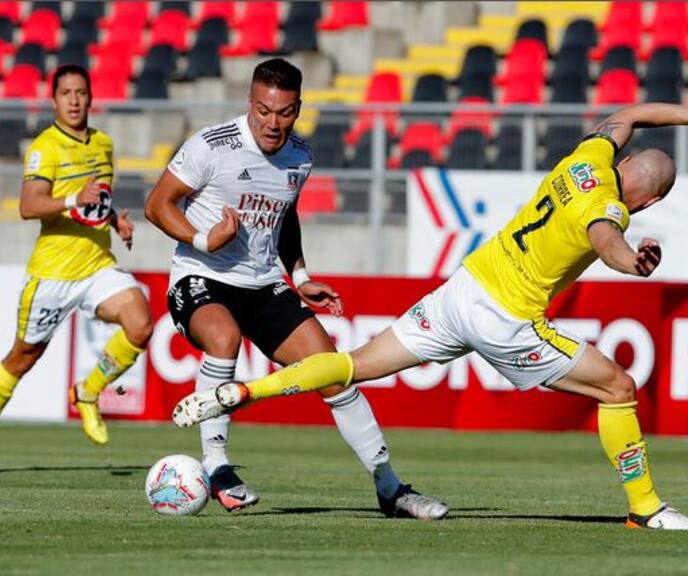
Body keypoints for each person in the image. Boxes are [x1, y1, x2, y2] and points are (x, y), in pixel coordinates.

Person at [174, 102, 688, 530]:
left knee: (353, 364)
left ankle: (246, 391)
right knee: (618, 388)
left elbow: (630, 114)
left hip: (461, 291)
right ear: (650, 200)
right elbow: (607, 239)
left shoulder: (590, 156)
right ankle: (645, 508)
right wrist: (634, 263)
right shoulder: (610, 208)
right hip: (507, 321)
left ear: (624, 159)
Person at [145, 58, 446, 519]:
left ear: (298, 109)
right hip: (201, 275)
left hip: (264, 283)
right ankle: (217, 465)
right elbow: (157, 204)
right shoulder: (211, 146)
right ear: (250, 103)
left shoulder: (300, 156)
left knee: (333, 373)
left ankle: (390, 488)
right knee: (224, 338)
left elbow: (285, 216)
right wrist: (204, 239)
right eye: (264, 110)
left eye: (284, 112)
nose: (273, 123)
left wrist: (300, 276)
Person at [0, 64, 153, 476]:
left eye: (81, 92)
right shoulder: (44, 147)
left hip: (97, 264)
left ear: (91, 97)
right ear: (53, 101)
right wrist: (71, 199)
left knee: (140, 323)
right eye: (66, 93)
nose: (74, 100)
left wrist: (114, 220)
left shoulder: (103, 144)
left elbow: (96, 199)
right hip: (52, 274)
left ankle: (88, 391)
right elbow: (28, 206)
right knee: (22, 359)